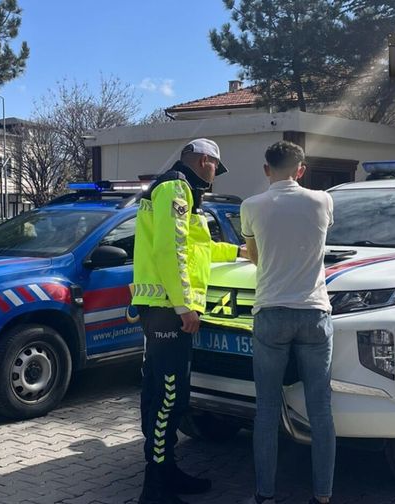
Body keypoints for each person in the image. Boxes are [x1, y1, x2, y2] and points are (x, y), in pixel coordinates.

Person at [132, 138, 245, 504]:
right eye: (215, 166)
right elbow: (171, 249)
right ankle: (156, 489)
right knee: (167, 397)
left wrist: (238, 251)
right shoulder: (175, 187)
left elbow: (197, 248)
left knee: (164, 394)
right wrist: (184, 306)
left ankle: (166, 472)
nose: (215, 176)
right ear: (202, 160)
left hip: (163, 306)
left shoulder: (183, 193)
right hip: (167, 308)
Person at [240, 141, 335, 504]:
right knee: (321, 409)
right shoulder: (323, 201)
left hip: (271, 312)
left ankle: (265, 495)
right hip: (314, 312)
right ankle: (323, 495)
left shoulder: (251, 206)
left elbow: (255, 258)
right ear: (301, 170)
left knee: (265, 408)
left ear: (266, 169)